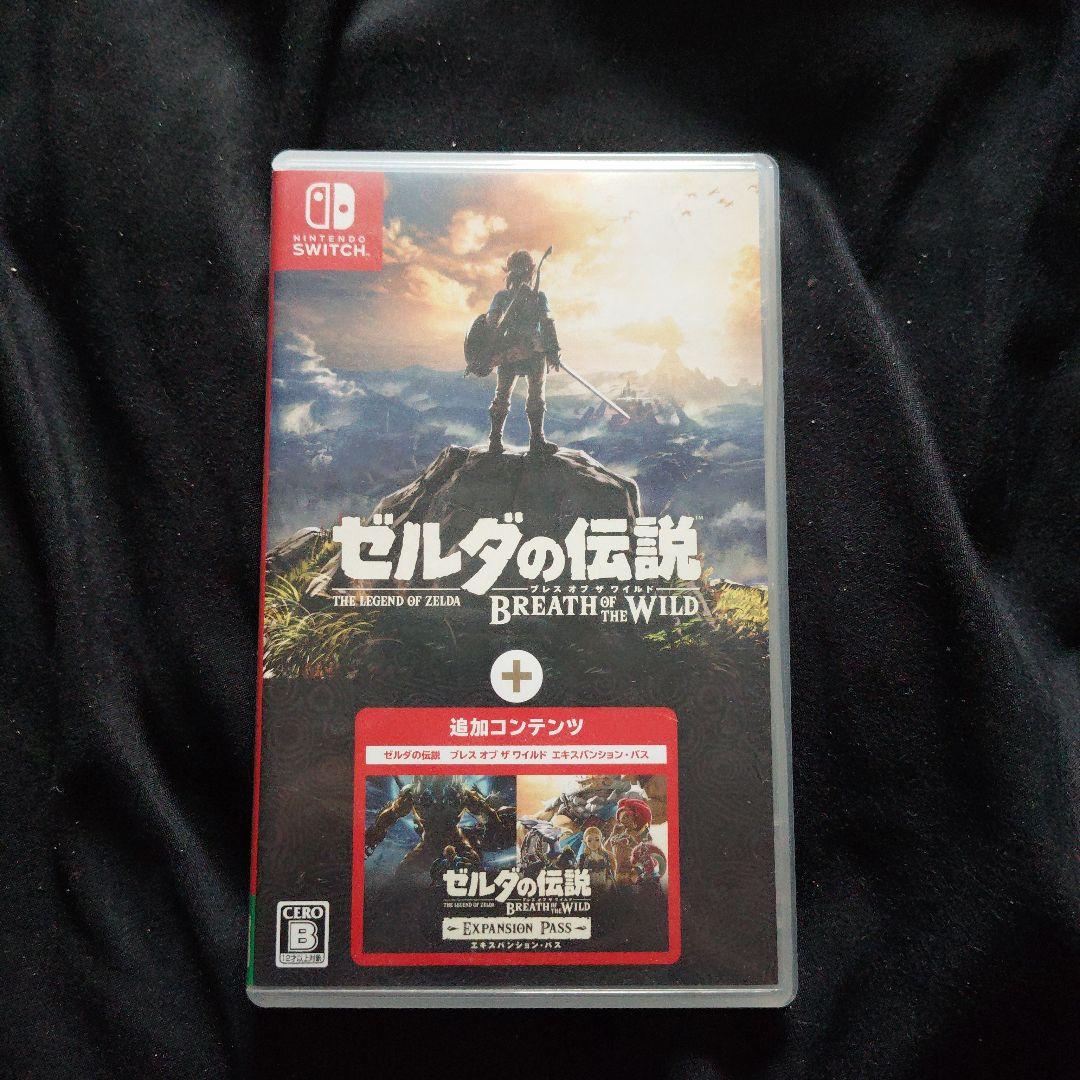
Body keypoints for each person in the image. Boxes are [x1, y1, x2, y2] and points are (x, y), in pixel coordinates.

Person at [485, 249, 561, 455]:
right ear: (531, 272)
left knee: (506, 395)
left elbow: (491, 323)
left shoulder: (505, 297)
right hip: (527, 352)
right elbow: (547, 323)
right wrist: (552, 351)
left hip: (515, 352)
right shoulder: (533, 296)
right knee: (530, 395)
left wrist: (552, 351)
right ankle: (534, 441)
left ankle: (497, 441)